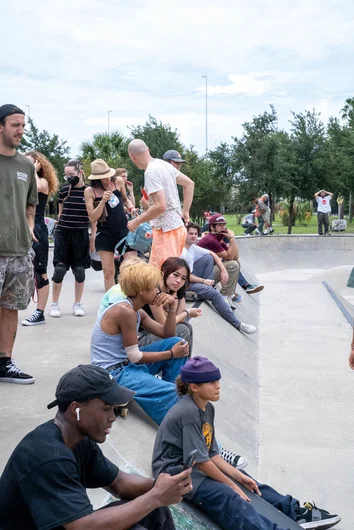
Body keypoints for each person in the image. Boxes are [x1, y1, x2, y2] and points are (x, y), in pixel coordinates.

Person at [152, 356, 341, 530]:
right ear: (194, 387)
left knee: (248, 481)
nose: (218, 386)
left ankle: (295, 513)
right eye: (212, 382)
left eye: (218, 380)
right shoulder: (188, 412)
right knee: (228, 496)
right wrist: (233, 486)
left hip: (194, 468)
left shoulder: (207, 408)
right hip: (174, 475)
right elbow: (203, 461)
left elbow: (212, 455)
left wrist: (239, 478)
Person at [0, 364, 192, 529]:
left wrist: (162, 485)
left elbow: (119, 483)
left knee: (156, 512)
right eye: (106, 408)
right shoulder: (49, 456)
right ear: (76, 409)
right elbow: (83, 527)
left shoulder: (78, 441)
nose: (112, 417)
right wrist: (156, 496)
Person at [90, 259, 190, 425]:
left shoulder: (137, 311)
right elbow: (135, 356)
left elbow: (168, 333)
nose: (158, 291)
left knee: (177, 341)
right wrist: (171, 353)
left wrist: (172, 308)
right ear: (141, 290)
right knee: (171, 386)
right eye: (153, 288)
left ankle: (172, 394)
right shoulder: (125, 311)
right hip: (114, 373)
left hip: (127, 366)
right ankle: (181, 425)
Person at [0, 104, 37, 384]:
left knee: (11, 307)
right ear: (0, 126)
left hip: (19, 250)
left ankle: (5, 361)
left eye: (23, 126)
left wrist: (29, 231)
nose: (20, 131)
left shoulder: (25, 164)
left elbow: (30, 205)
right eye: (15, 125)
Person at [127, 139, 194, 268]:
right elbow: (189, 184)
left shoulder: (151, 172)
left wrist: (136, 221)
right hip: (176, 228)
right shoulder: (164, 164)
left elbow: (160, 206)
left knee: (163, 275)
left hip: (166, 231)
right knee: (164, 274)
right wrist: (185, 211)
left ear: (132, 156)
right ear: (148, 149)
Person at [182, 223, 256, 334]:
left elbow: (214, 253)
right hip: (183, 284)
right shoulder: (182, 252)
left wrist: (223, 269)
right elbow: (184, 277)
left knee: (208, 257)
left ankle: (209, 288)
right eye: (190, 234)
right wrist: (203, 281)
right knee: (214, 294)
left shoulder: (192, 247)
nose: (193, 236)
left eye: (195, 234)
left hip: (191, 277)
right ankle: (238, 324)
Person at [50, 159, 93, 318]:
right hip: (63, 233)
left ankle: (77, 303)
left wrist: (93, 238)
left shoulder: (89, 191)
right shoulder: (63, 191)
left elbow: (93, 217)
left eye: (72, 174)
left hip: (81, 234)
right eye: (66, 175)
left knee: (79, 271)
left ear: (80, 172)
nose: (68, 177)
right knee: (59, 270)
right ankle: (54, 304)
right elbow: (60, 213)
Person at [84, 159, 136, 291]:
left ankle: (131, 297)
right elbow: (92, 217)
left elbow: (125, 199)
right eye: (103, 177)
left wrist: (131, 208)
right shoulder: (90, 191)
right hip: (105, 232)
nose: (107, 179)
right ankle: (111, 302)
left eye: (108, 175)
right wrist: (102, 201)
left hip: (123, 230)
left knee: (131, 267)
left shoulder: (117, 181)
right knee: (108, 272)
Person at [21, 151, 59, 326]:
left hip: (37, 229)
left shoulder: (41, 181)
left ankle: (40, 313)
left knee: (40, 272)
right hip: (21, 229)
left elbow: (35, 187)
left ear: (38, 164)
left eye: (30, 163)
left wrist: (33, 171)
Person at [139, 257, 201, 354]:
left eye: (183, 279)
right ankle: (179, 366)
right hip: (138, 339)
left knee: (186, 326)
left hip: (149, 333)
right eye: (175, 275)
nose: (178, 281)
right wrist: (187, 313)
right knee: (183, 329)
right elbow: (166, 324)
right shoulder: (154, 290)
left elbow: (175, 317)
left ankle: (184, 366)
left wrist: (179, 294)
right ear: (164, 271)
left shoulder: (167, 291)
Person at [197, 214, 264, 299]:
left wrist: (233, 238)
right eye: (219, 225)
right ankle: (225, 296)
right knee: (233, 264)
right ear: (212, 227)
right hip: (200, 276)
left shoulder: (217, 238)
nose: (223, 227)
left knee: (235, 262)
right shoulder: (210, 240)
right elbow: (230, 257)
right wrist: (231, 237)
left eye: (224, 224)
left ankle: (230, 293)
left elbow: (235, 256)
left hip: (206, 272)